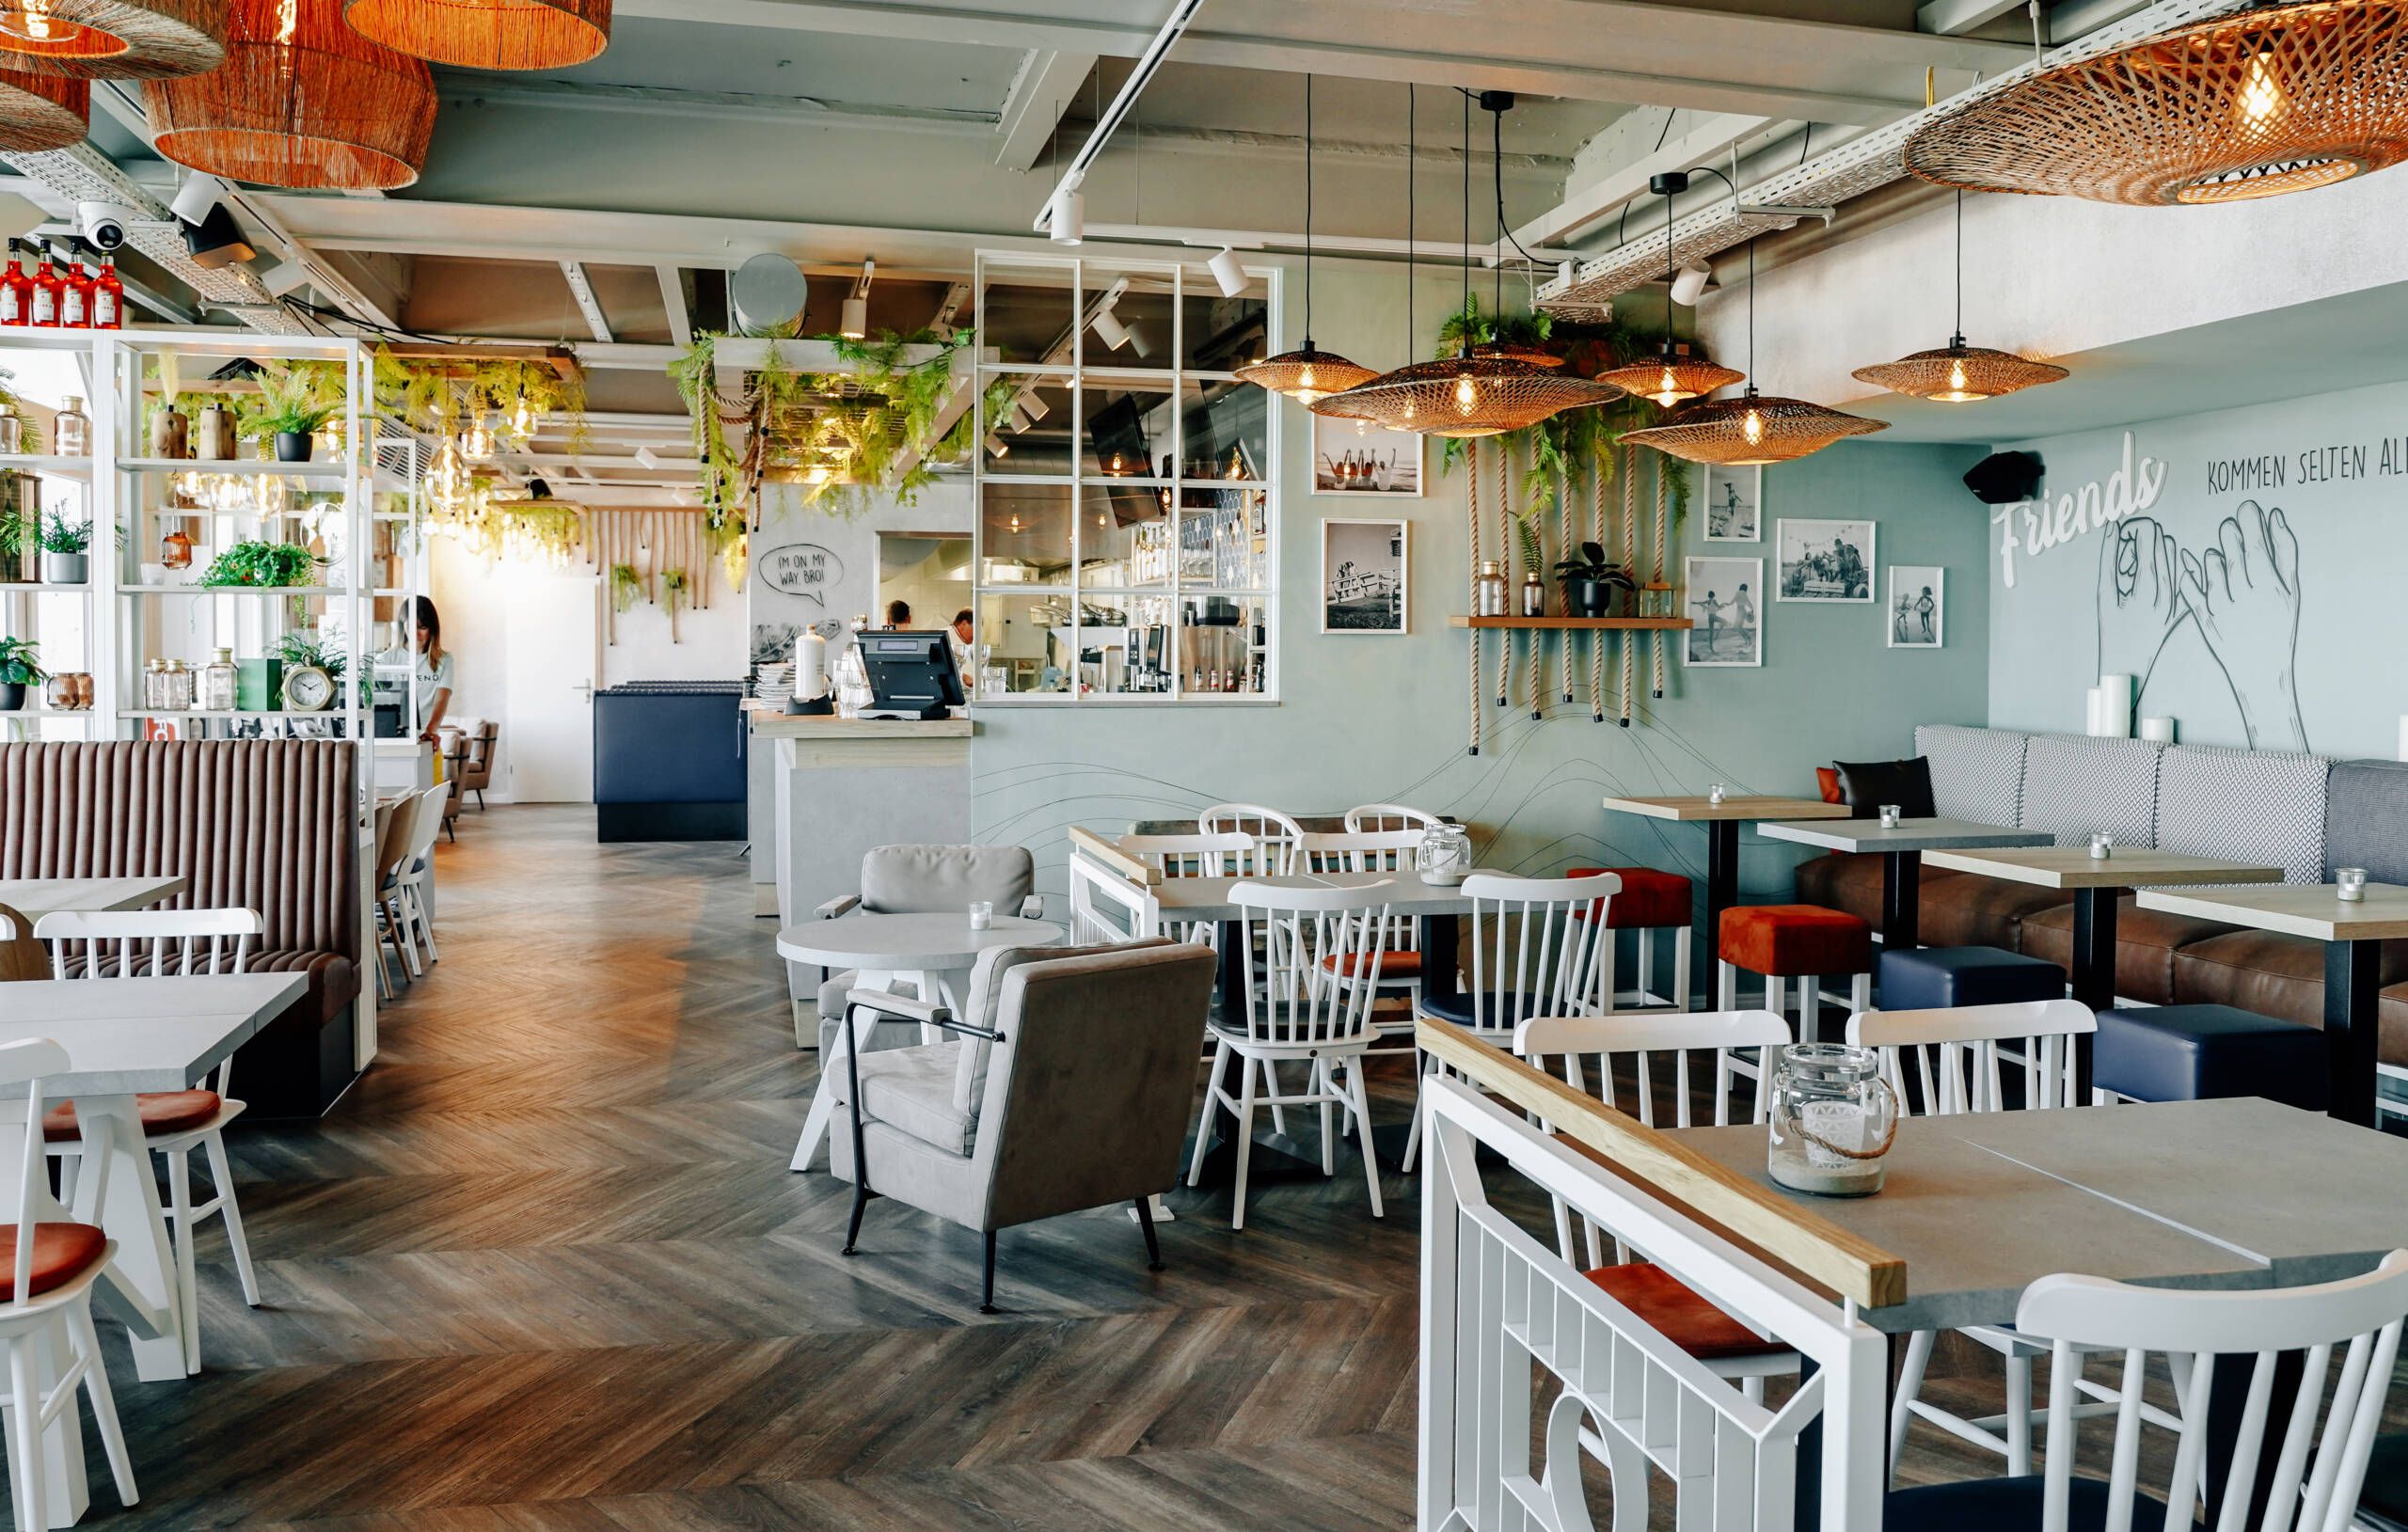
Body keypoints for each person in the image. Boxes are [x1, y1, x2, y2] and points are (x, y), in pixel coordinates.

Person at [388, 594, 453, 744]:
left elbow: (441, 701)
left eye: (422, 627)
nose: (416, 634)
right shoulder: (387, 659)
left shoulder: (445, 661)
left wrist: (430, 731)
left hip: (427, 738)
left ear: (432, 628)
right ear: (402, 626)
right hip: (393, 737)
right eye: (411, 627)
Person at [949, 608, 974, 694]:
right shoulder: (945, 635)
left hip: (968, 693)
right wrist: (963, 676)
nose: (976, 635)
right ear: (964, 624)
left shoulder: (963, 640)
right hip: (954, 694)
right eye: (976, 629)